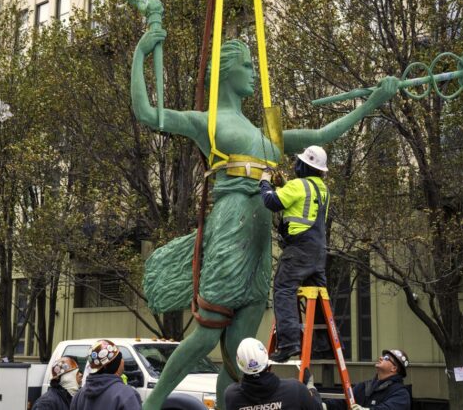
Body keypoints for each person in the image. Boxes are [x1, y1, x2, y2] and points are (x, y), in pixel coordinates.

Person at [131, 26, 399, 410]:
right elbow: (146, 112)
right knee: (207, 336)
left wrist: (373, 101)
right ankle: (153, 403)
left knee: (240, 348)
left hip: (260, 237)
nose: (254, 73)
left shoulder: (267, 131)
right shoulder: (206, 122)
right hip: (230, 226)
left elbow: (324, 134)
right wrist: (142, 52)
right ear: (226, 72)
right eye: (246, 65)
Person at [260, 145, 330, 362]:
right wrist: (282, 186)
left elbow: (271, 202)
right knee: (318, 294)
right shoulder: (323, 189)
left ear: (304, 165)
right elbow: (300, 205)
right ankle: (322, 342)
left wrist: (264, 182)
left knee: (283, 289)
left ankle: (289, 344)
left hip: (299, 249)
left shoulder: (298, 185)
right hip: (318, 251)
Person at [225, 337, 323, 410]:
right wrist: (311, 389)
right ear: (266, 358)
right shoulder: (294, 389)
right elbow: (317, 408)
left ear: (240, 365)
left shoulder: (232, 396)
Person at [325, 349, 411, 410]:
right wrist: (324, 405)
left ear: (394, 368)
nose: (381, 358)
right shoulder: (364, 386)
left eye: (386, 358)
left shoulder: (401, 394)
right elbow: (344, 402)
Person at [70, 339, 142, 410]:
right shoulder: (127, 395)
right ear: (116, 363)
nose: (123, 361)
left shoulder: (79, 396)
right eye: (120, 358)